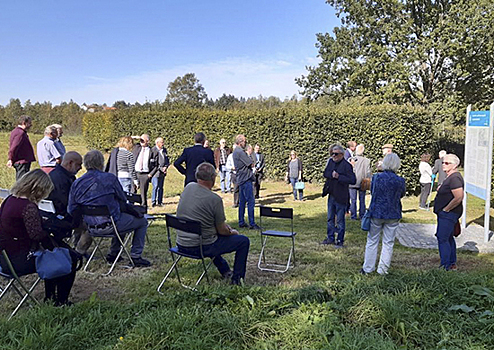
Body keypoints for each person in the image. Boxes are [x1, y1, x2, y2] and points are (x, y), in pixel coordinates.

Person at [0, 169, 77, 306]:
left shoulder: (10, 199)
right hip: (18, 260)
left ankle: (51, 297)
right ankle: (60, 300)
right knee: (67, 257)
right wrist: (54, 244)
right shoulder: (28, 207)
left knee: (54, 254)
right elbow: (37, 235)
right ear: (38, 189)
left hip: (4, 256)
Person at [68, 150, 151, 267]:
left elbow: (71, 208)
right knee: (142, 221)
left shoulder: (77, 183)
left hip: (89, 227)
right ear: (101, 163)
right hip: (111, 224)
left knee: (120, 217)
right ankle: (135, 256)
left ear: (85, 164)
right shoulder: (110, 179)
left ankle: (114, 253)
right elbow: (122, 198)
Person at [176, 162, 250, 285]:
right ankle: (237, 279)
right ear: (213, 178)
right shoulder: (214, 199)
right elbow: (222, 230)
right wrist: (232, 232)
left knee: (209, 236)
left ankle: (225, 270)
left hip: (181, 243)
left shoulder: (189, 187)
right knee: (243, 241)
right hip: (200, 247)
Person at [361, 153, 406, 275]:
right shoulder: (400, 180)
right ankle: (383, 270)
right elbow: (401, 194)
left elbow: (373, 192)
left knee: (372, 240)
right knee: (388, 242)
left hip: (377, 212)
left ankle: (368, 268)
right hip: (393, 213)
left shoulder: (376, 178)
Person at [45, 152, 91, 256]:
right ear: (70, 163)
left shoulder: (54, 174)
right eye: (79, 164)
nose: (80, 168)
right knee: (92, 225)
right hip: (63, 216)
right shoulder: (63, 179)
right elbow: (67, 203)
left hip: (52, 214)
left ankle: (75, 246)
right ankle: (79, 252)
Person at [433, 154, 464, 271]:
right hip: (447, 213)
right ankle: (451, 263)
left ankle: (445, 266)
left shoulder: (455, 178)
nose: (443, 165)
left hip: (448, 214)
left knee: (443, 238)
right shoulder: (450, 177)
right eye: (443, 162)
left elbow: (459, 197)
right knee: (448, 238)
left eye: (447, 163)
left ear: (455, 165)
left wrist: (446, 209)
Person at [321, 144, 356, 247]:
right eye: (332, 154)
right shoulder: (331, 162)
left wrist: (338, 177)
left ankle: (340, 240)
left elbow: (352, 180)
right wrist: (331, 175)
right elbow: (325, 173)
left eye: (336, 154)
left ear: (341, 154)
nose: (333, 156)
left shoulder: (346, 165)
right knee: (330, 218)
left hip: (341, 196)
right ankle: (330, 238)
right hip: (331, 194)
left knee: (340, 220)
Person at [232, 135, 260, 230]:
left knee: (242, 202)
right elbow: (250, 163)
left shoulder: (235, 151)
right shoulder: (240, 152)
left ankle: (241, 221)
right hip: (246, 178)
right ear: (241, 142)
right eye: (245, 141)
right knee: (250, 201)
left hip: (240, 178)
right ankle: (252, 223)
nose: (246, 143)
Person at [7, 115, 36, 181]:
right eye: (29, 123)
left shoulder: (16, 131)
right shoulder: (20, 133)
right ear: (24, 123)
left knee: (22, 182)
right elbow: (14, 146)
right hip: (22, 162)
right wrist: (10, 158)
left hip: (21, 162)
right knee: (22, 182)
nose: (30, 125)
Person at [132, 134, 156, 209]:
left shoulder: (152, 151)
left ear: (148, 141)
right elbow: (127, 140)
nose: (141, 141)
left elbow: (156, 165)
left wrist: (150, 174)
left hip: (145, 174)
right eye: (140, 140)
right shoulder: (137, 147)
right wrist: (136, 137)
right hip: (135, 172)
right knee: (132, 191)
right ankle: (130, 207)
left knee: (143, 193)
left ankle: (143, 208)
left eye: (143, 140)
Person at [349, 144, 371, 220]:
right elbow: (368, 172)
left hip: (352, 182)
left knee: (353, 200)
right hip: (363, 182)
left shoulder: (351, 159)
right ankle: (362, 216)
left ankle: (353, 216)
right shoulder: (367, 161)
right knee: (362, 200)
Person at [150, 137, 170, 207]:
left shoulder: (164, 150)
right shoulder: (153, 150)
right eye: (161, 142)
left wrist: (166, 167)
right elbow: (153, 163)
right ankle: (153, 202)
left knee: (161, 187)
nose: (163, 144)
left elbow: (167, 160)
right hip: (155, 172)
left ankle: (160, 201)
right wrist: (160, 168)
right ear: (157, 143)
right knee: (155, 186)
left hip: (163, 172)